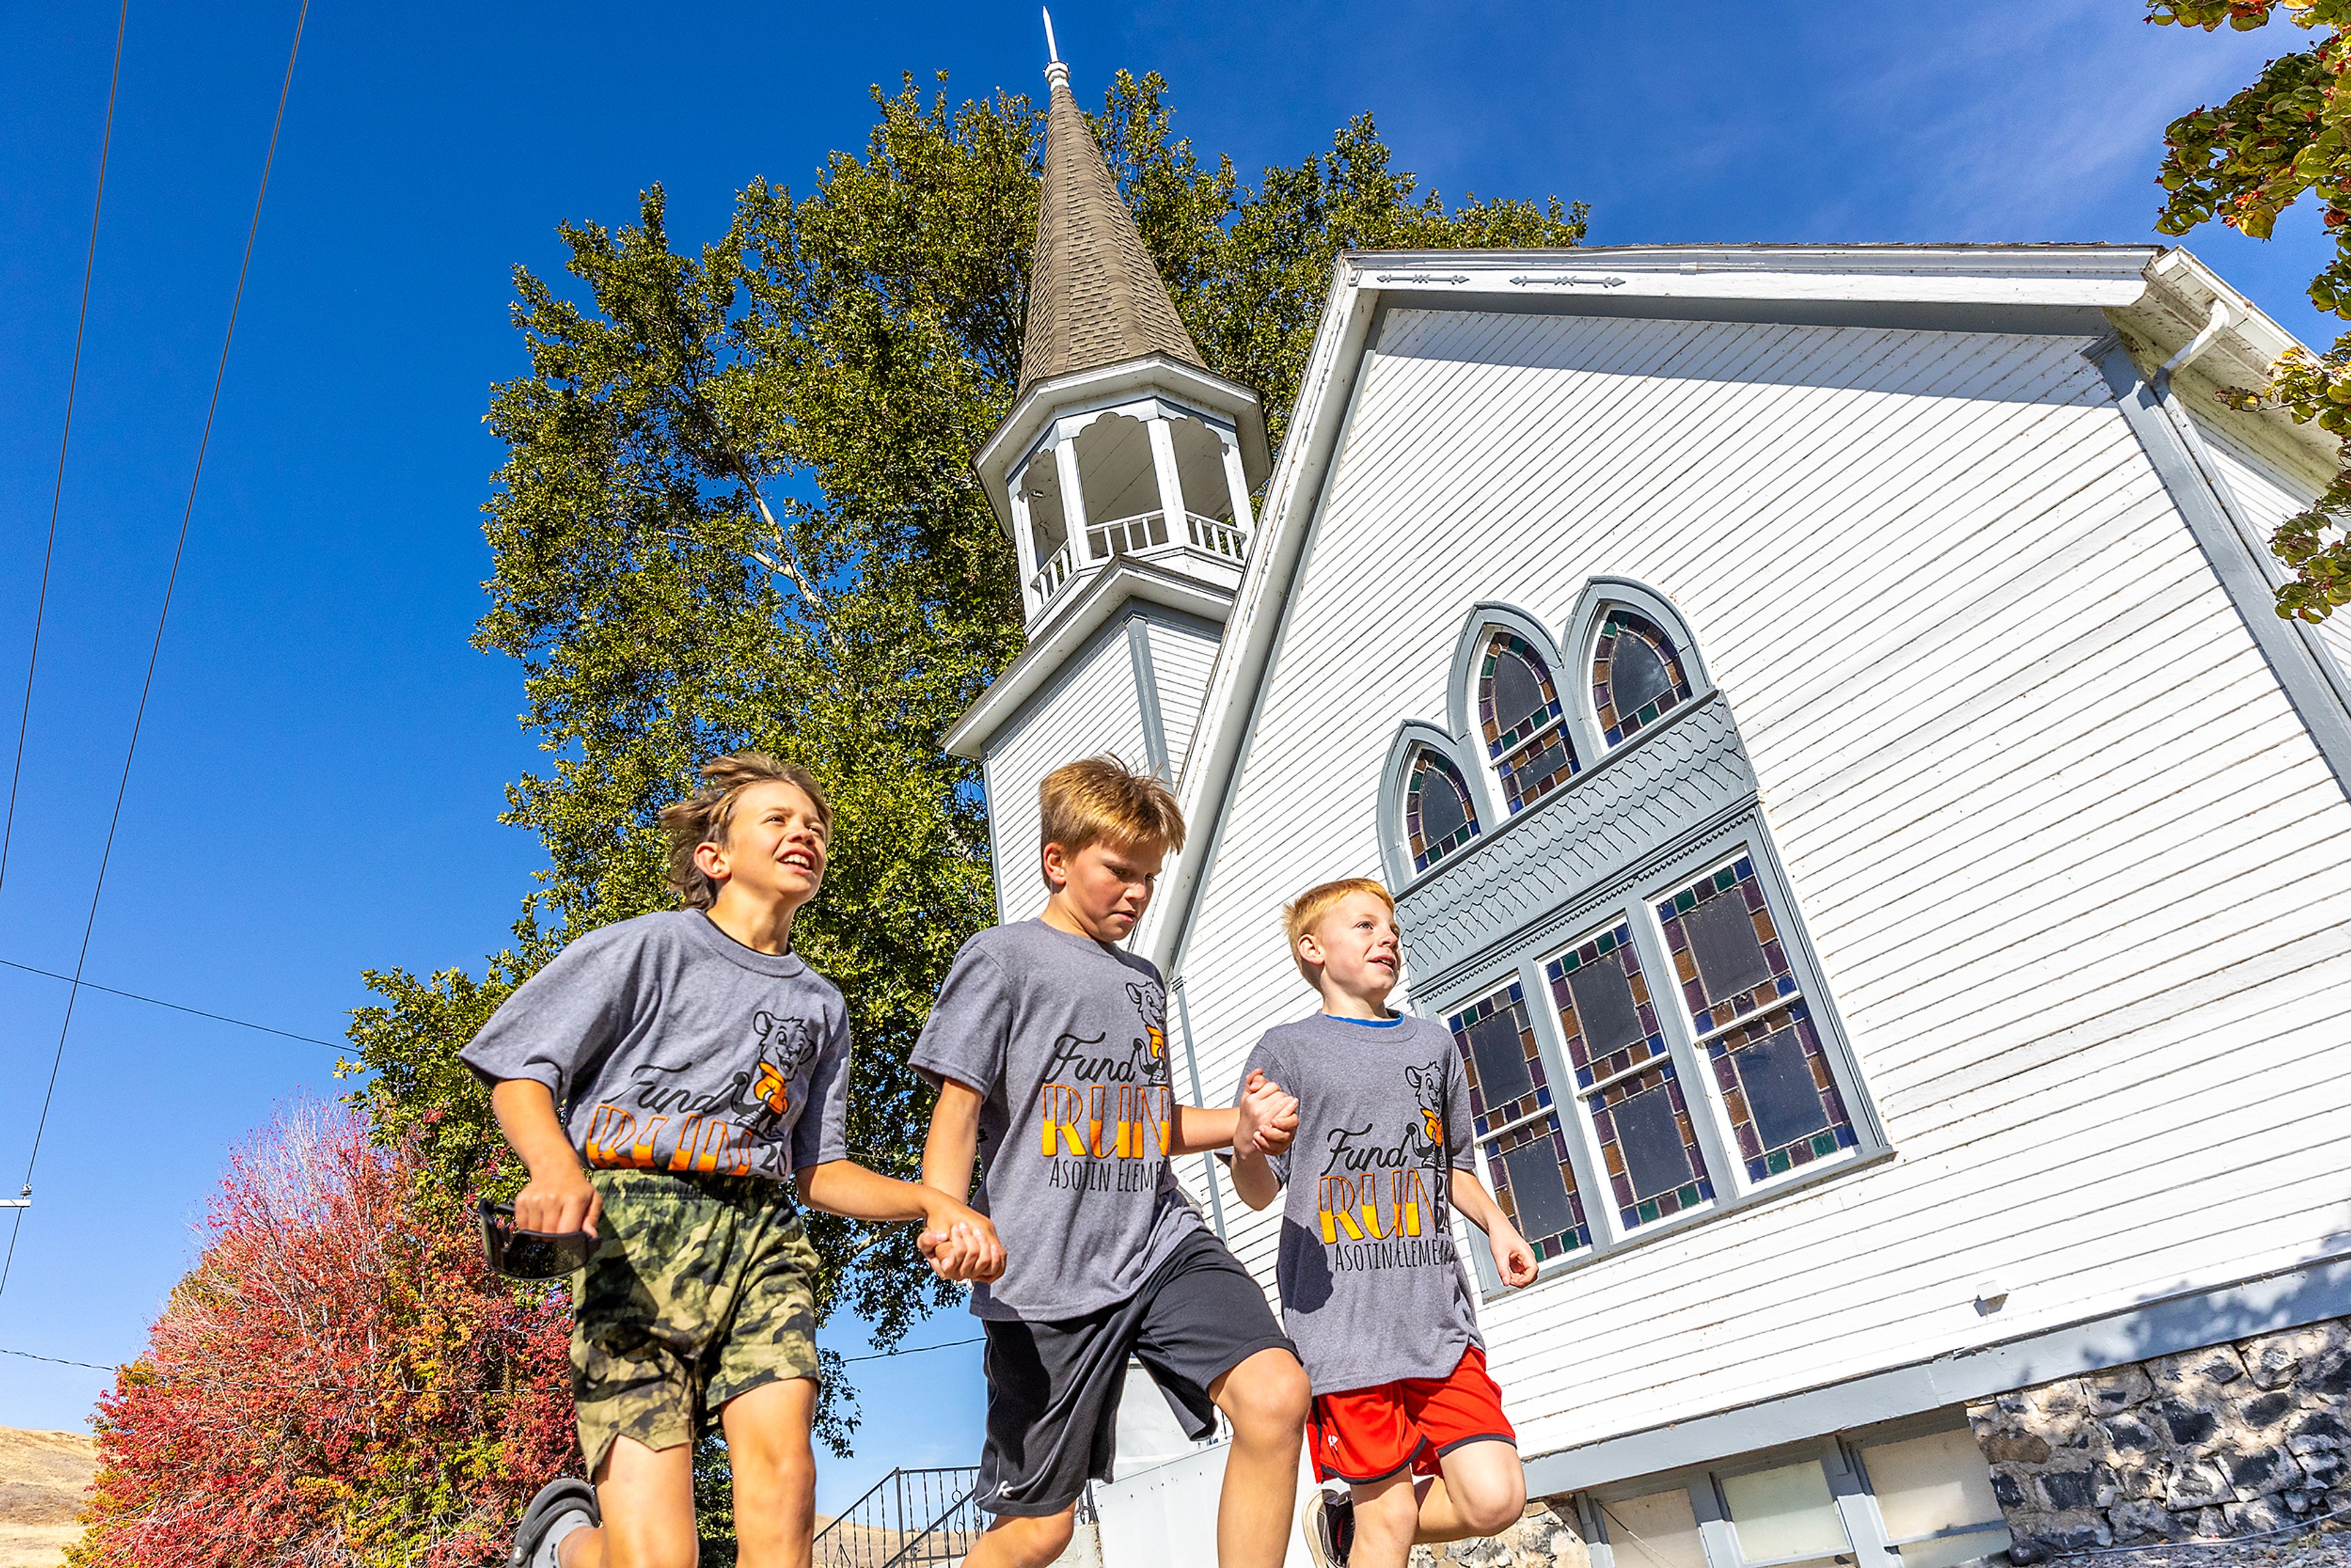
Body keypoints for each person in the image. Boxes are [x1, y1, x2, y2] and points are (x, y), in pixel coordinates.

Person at [465, 752, 1004, 1568]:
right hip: (634, 1236)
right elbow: (518, 1069)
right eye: (779, 820)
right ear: (714, 858)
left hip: (762, 1238)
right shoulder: (648, 950)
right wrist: (554, 1169)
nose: (805, 834)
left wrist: (933, 1201)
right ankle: (565, 1542)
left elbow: (817, 1171)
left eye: (817, 827)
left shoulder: (821, 1005)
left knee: (783, 1504)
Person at [912, 756, 1310, 1568]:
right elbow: (957, 1108)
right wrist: (947, 1211)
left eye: (1149, 878)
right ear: (1058, 862)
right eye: (1119, 872)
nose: (1136, 892)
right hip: (1043, 1276)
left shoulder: (1143, 982)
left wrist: (1242, 1125)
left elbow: (1148, 1123)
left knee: (1277, 1396)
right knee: (1039, 1531)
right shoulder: (1001, 958)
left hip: (1158, 1239)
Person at [1227, 877, 1540, 1568]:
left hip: (1438, 1323)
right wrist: (1248, 1143)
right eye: (1365, 926)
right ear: (1313, 948)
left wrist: (1498, 1225)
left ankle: (1343, 1526)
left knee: (1497, 1499)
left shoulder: (1434, 1046)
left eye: (1390, 927)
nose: (1387, 937)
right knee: (1390, 1514)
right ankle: (1363, 1526)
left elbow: (1452, 1164)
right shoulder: (1287, 1051)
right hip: (1344, 1335)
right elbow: (1255, 1191)